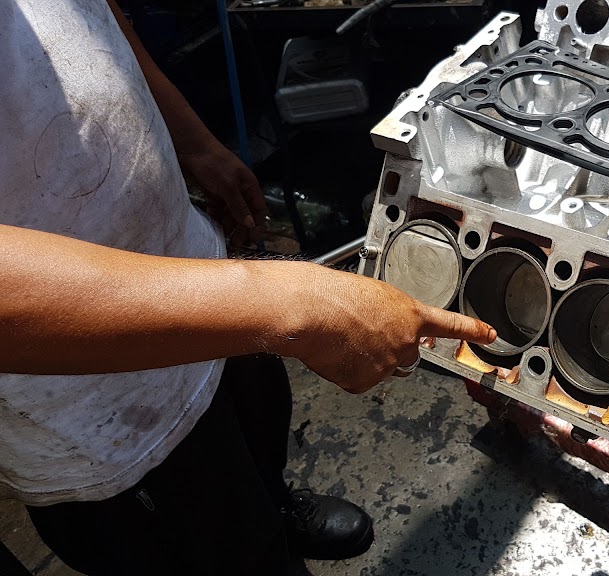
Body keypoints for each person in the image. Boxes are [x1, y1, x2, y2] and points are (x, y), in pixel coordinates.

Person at [0, 1, 496, 574]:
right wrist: (290, 304)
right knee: (212, 548)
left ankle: (272, 506)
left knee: (257, 434)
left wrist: (193, 143)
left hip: (199, 267)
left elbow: (95, 17)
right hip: (88, 408)